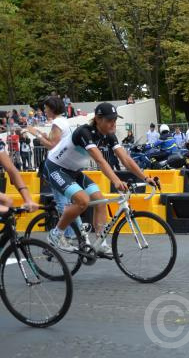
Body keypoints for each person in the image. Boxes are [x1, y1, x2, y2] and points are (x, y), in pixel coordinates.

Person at [43, 103, 157, 253]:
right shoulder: (84, 132)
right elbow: (100, 161)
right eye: (110, 120)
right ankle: (56, 234)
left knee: (100, 200)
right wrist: (116, 181)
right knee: (83, 200)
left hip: (74, 171)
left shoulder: (109, 135)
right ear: (98, 119)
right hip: (55, 168)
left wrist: (145, 178)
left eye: (115, 120)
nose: (113, 124)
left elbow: (126, 160)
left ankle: (100, 243)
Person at [24, 96, 83, 240]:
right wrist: (44, 134)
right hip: (66, 164)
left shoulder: (57, 122)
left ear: (52, 108)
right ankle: (78, 232)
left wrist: (36, 134)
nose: (44, 111)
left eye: (45, 108)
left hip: (57, 165)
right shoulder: (62, 121)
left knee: (62, 202)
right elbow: (55, 141)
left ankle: (68, 234)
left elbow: (52, 146)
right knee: (68, 202)